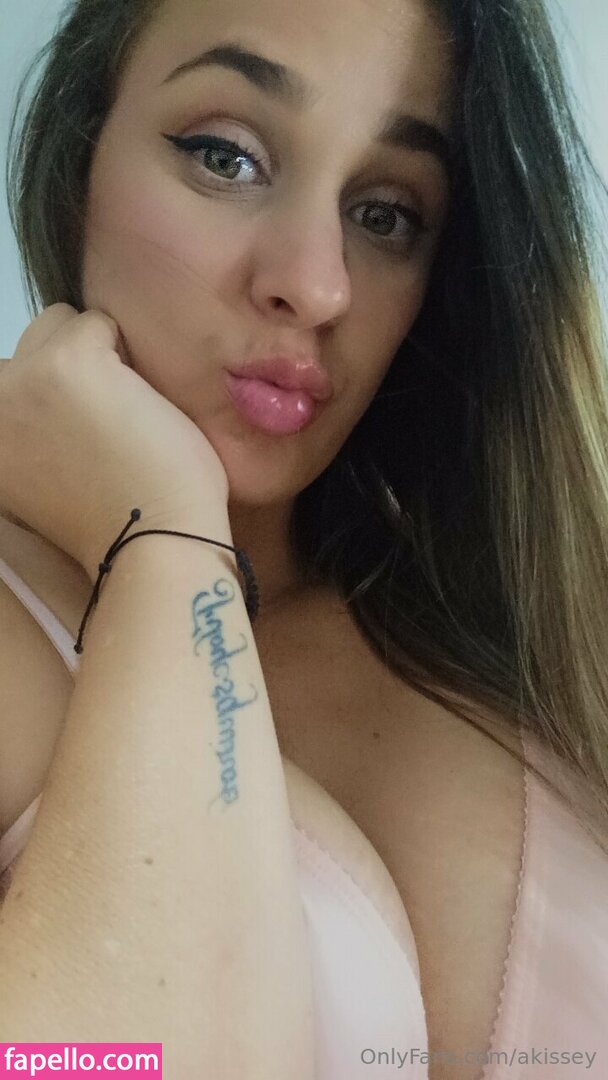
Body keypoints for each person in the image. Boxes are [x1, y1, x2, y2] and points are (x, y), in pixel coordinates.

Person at [0, 0, 606, 1077]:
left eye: (385, 214)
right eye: (225, 156)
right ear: (79, 154)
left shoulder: (539, 599)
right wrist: (163, 539)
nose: (316, 286)